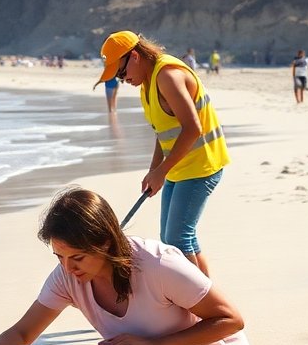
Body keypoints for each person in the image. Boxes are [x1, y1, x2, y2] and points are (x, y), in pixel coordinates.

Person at [0, 186, 250, 345]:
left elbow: (230, 320)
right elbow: (21, 334)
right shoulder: (67, 277)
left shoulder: (158, 265)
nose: (67, 267)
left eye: (77, 257)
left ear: (106, 242)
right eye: (59, 256)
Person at [95, 30, 230, 277]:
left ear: (134, 56)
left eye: (122, 73)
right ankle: (207, 293)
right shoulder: (146, 83)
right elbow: (163, 132)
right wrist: (153, 170)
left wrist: (161, 172)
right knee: (173, 237)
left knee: (178, 239)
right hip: (179, 166)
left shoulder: (167, 76)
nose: (123, 80)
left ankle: (200, 304)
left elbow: (192, 129)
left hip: (201, 165)